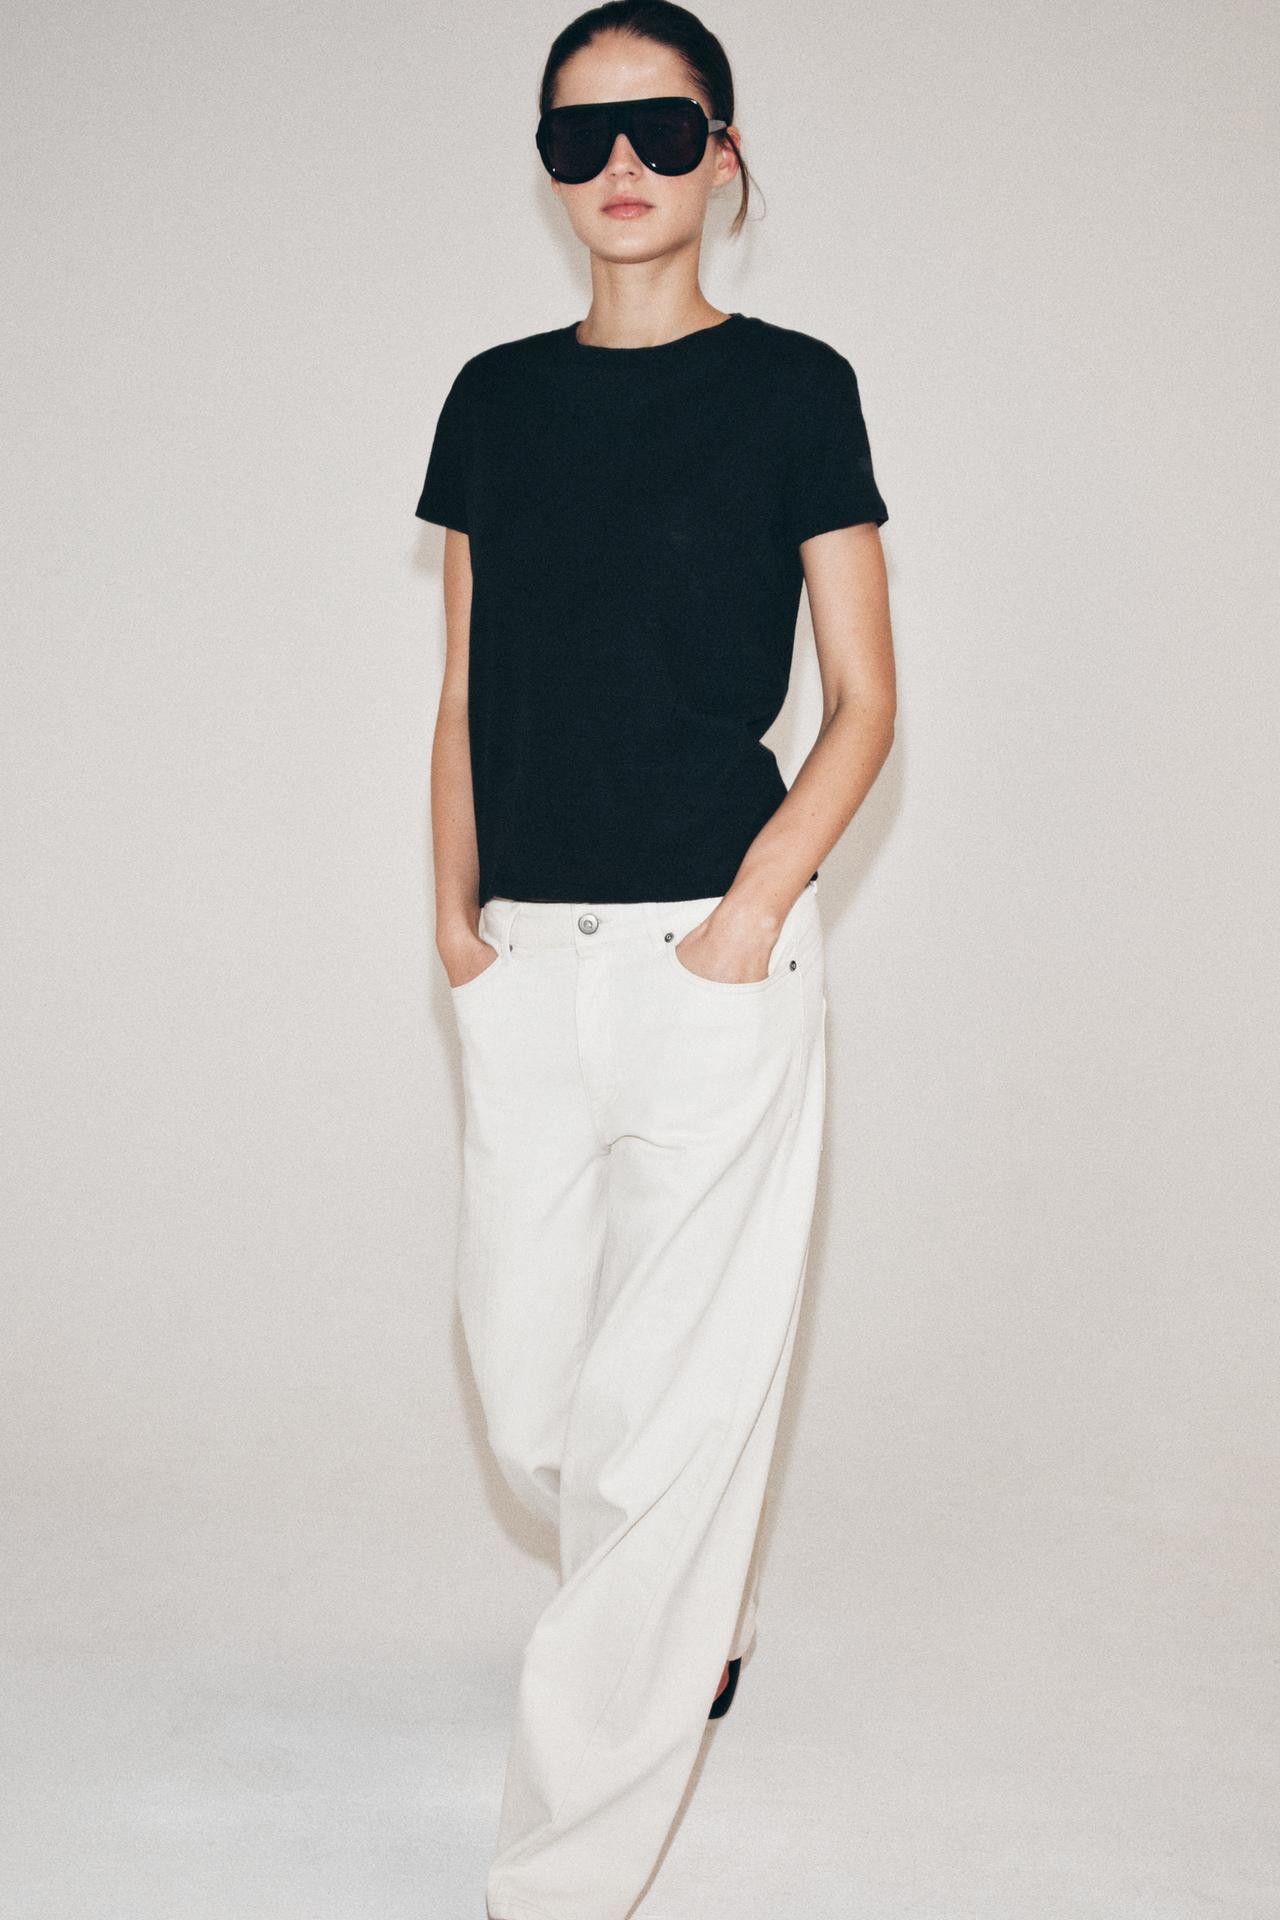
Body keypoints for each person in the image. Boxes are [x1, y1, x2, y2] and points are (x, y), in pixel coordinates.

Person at [414, 6, 895, 1915]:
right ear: (547, 165)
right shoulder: (491, 400)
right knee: (538, 1400)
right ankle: (695, 1606)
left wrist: (752, 913)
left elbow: (865, 701)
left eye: (664, 128)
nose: (622, 165)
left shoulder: (794, 390)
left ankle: (559, 1876)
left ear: (723, 150)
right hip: (523, 957)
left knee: (668, 1420)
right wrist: (453, 930)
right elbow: (463, 689)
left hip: (715, 955)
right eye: (580, 135)